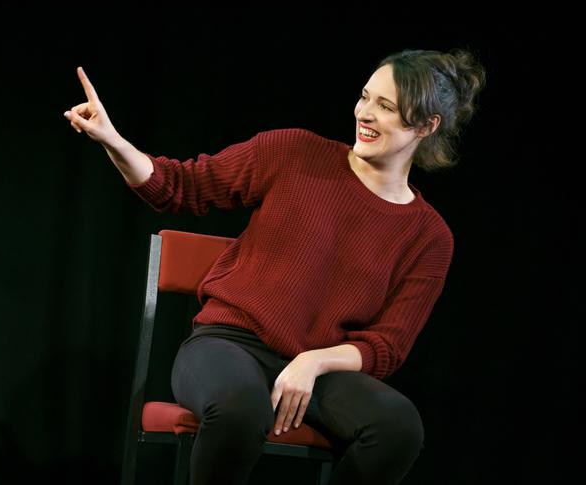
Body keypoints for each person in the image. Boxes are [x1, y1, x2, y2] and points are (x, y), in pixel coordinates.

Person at [64, 48, 486, 485]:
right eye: (365, 97)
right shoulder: (295, 152)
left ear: (425, 126)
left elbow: (387, 347)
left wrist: (312, 363)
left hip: (320, 372)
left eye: (386, 107)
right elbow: (181, 186)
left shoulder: (429, 236)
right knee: (239, 411)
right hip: (228, 345)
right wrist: (114, 140)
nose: (365, 113)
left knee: (398, 427)